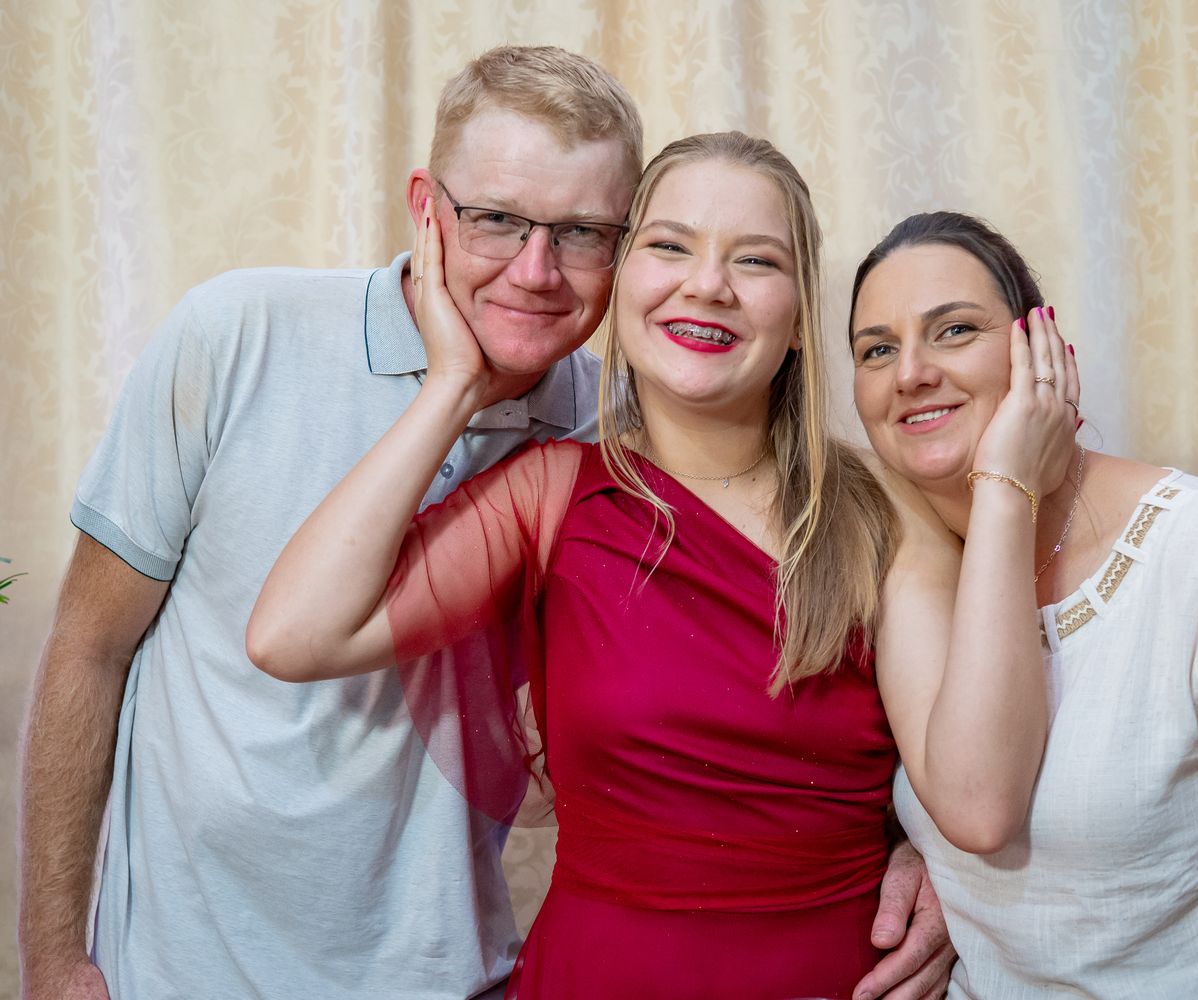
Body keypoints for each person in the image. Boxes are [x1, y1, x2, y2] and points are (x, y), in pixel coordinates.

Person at [18, 46, 945, 1000]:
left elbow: (766, 716)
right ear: (427, 208)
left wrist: (926, 853)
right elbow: (90, 648)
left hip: (447, 975)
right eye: (497, 219)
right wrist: (52, 963)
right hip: (184, 969)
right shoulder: (235, 336)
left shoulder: (624, 438)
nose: (536, 271)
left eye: (581, 233)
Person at [247, 132, 1063, 998]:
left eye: (756, 260)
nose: (707, 284)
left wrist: (1007, 486)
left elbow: (980, 807)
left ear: (799, 322)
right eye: (670, 246)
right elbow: (292, 636)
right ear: (620, 285)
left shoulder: (879, 513)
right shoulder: (548, 497)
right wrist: (454, 384)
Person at [849, 210, 1198, 999]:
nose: (910, 373)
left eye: (954, 330)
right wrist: (919, 855)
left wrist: (1004, 484)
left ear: (1041, 350)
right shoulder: (898, 571)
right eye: (877, 349)